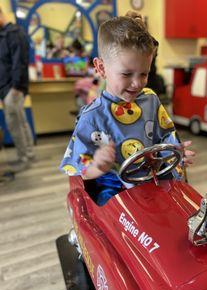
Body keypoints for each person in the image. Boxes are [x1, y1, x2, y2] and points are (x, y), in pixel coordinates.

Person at [60, 15, 195, 205]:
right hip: (113, 189)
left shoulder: (150, 100)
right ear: (101, 67)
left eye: (144, 74)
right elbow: (81, 172)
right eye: (126, 74)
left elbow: (165, 137)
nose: (137, 82)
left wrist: (174, 153)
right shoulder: (93, 117)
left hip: (151, 181)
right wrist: (99, 165)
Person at [0, 6, 35, 172]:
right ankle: (29, 153)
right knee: (20, 121)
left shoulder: (14, 33)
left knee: (14, 123)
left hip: (13, 87)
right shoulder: (4, 35)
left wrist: (15, 87)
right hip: (6, 86)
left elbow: (19, 62)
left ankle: (24, 157)